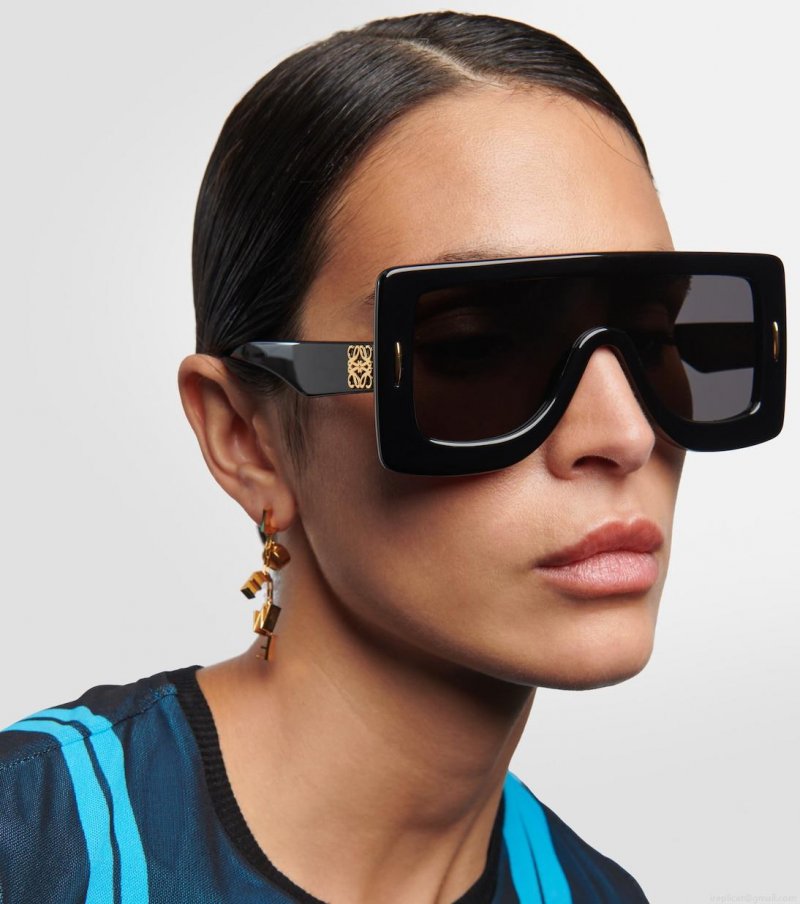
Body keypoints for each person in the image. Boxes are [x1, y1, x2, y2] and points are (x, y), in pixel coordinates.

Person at [0, 10, 786, 904]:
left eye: (654, 338)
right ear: (245, 437)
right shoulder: (31, 843)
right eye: (474, 348)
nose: (626, 435)